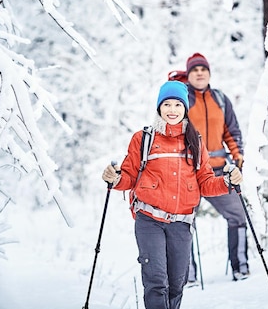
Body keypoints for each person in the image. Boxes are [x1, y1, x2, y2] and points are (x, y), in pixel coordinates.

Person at [102, 80, 243, 309]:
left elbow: (206, 183)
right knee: (156, 281)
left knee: (177, 284)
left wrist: (227, 182)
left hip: (181, 223)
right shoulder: (144, 139)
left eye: (177, 105)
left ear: (185, 109)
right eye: (166, 104)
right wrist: (115, 178)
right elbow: (128, 176)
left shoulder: (195, 142)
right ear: (159, 108)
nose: (172, 110)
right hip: (149, 221)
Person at [184, 52, 249, 282]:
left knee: (238, 215)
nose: (199, 73)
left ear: (209, 73)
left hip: (218, 172)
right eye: (194, 70)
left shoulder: (221, 99)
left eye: (203, 69)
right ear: (188, 75)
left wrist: (238, 155)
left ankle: (240, 267)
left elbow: (232, 132)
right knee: (183, 223)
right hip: (189, 173)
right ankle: (187, 275)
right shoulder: (182, 99)